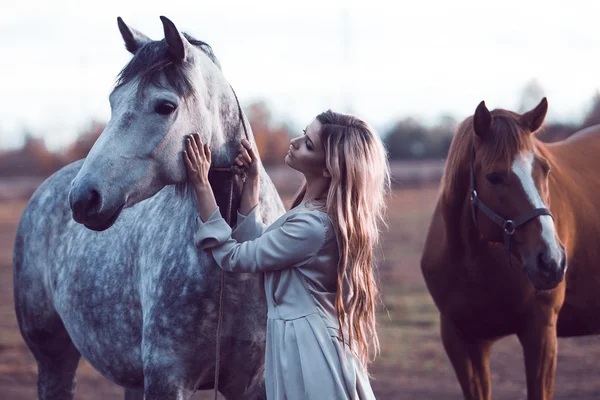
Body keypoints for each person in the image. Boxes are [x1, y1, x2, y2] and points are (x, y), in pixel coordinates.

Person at [183, 109, 390, 399]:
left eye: (308, 144)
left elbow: (235, 258)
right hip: (299, 338)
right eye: (304, 133)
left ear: (329, 168)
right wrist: (253, 181)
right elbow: (261, 248)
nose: (294, 142)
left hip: (308, 348)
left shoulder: (313, 226)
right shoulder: (314, 213)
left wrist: (201, 185)